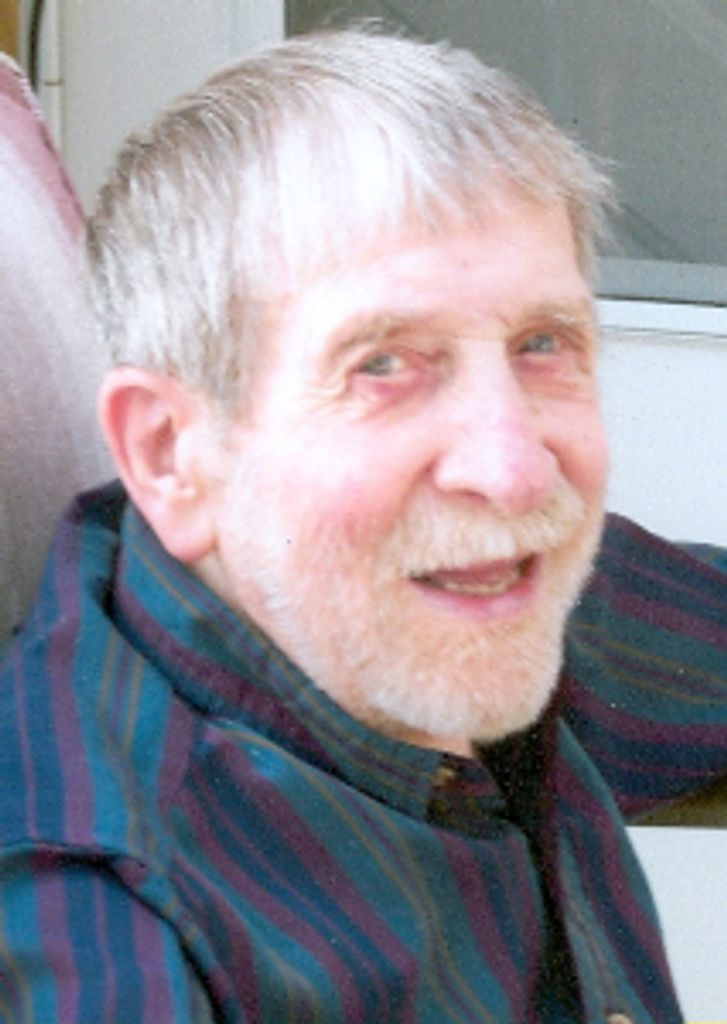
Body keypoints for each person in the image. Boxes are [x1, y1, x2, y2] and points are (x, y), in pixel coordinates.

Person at [1, 29, 726, 1024]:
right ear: (170, 452)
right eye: (382, 365)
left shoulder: (468, 583)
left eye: (542, 343)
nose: (511, 468)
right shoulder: (94, 921)